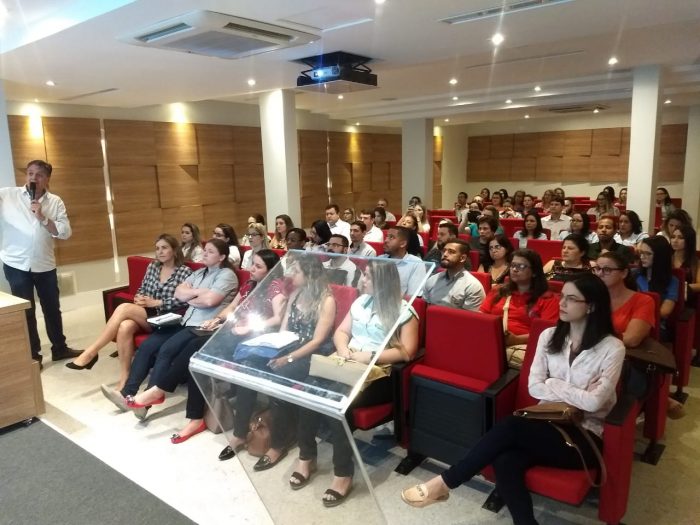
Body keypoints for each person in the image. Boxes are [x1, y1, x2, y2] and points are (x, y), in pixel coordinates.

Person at [402, 274, 624, 523]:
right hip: (546, 422)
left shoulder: (612, 348)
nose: (562, 303)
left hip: (585, 435)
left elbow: (594, 404)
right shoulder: (549, 336)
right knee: (505, 460)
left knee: (511, 426)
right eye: (562, 296)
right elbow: (534, 387)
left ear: (591, 306)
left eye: (571, 299)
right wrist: (576, 392)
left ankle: (446, 482)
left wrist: (553, 383)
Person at [293, 260, 418, 507]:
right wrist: (343, 349)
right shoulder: (361, 302)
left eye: (368, 277)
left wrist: (369, 356)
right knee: (309, 392)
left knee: (338, 401)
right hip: (347, 361)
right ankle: (306, 457)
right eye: (363, 275)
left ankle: (343, 473)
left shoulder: (404, 311)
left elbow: (407, 352)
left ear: (383, 281)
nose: (362, 281)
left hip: (378, 371)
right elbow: (341, 332)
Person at [127, 250, 285, 445]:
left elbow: (278, 318)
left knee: (198, 351)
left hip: (255, 337)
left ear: (271, 271)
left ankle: (162, 393)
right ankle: (190, 415)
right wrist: (216, 319)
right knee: (195, 350)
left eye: (258, 266)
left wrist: (249, 327)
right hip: (234, 331)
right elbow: (232, 307)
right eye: (252, 263)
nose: (251, 268)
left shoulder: (275, 287)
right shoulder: (250, 284)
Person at [100, 238, 238, 412]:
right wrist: (198, 294)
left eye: (210, 252)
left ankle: (145, 402)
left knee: (166, 350)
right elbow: (179, 293)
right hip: (184, 321)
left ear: (222, 257)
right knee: (148, 346)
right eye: (205, 250)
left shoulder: (226, 275)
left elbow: (210, 300)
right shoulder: (199, 273)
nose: (205, 254)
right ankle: (127, 392)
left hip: (201, 326)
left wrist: (191, 296)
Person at [66, 234, 192, 391]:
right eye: (157, 248)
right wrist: (139, 297)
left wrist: (158, 302)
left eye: (164, 248)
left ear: (174, 250)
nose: (160, 252)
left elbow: (187, 300)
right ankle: (124, 377)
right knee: (125, 326)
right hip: (146, 312)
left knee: (124, 308)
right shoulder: (153, 267)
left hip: (167, 317)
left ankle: (91, 352)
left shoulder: (184, 272)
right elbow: (142, 288)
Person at [251, 254, 337, 472]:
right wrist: (275, 347)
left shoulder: (326, 300)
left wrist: (288, 358)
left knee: (279, 377)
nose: (291, 275)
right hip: (291, 345)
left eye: (296, 271)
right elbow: (284, 329)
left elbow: (317, 340)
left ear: (309, 274)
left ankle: (278, 444)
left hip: (312, 352)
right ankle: (269, 431)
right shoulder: (296, 293)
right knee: (254, 362)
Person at [0, 159, 81, 364]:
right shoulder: (7, 195)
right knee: (27, 310)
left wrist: (43, 218)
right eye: (30, 173)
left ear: (47, 179)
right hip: (16, 263)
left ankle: (59, 349)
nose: (33, 178)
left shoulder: (55, 202)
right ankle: (33, 355)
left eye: (39, 175)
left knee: (52, 308)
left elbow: (65, 233)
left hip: (45, 264)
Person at [480, 249, 560, 348]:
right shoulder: (498, 291)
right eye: (512, 265)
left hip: (524, 346)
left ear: (534, 272)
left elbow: (547, 333)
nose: (514, 269)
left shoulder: (548, 299)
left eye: (521, 266)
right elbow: (481, 316)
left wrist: (516, 340)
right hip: (491, 339)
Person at [594, 252, 656, 348]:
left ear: (624, 273)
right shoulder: (590, 296)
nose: (599, 274)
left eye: (607, 270)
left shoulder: (643, 301)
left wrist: (591, 339)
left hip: (625, 353)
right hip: (590, 351)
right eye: (597, 269)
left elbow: (631, 339)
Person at [636, 237, 679, 341]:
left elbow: (665, 312)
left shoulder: (672, 281)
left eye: (648, 254)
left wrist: (641, 315)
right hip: (632, 320)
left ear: (660, 256)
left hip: (656, 325)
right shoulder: (634, 275)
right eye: (641, 253)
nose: (642, 257)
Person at [424, 239, 485, 311]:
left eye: (451, 252)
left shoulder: (472, 286)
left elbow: (469, 317)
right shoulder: (432, 279)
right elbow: (423, 309)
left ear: (462, 258)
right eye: (444, 251)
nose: (445, 254)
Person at [381, 226, 427, 296]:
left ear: (403, 244)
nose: (386, 240)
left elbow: (413, 296)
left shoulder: (416, 263)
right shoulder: (380, 259)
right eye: (386, 236)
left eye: (391, 237)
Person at [671, 224, 700, 298]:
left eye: (681, 238)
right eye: (673, 237)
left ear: (689, 240)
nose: (675, 241)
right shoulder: (666, 258)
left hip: (686, 298)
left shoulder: (695, 262)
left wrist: (681, 287)